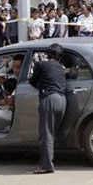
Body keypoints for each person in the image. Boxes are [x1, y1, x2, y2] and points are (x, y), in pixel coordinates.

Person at [29, 44, 67, 174]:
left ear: (48, 54)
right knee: (52, 133)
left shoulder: (41, 65)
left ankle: (46, 165)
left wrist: (41, 85)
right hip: (62, 101)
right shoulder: (62, 69)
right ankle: (48, 161)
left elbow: (32, 81)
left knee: (46, 135)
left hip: (49, 99)